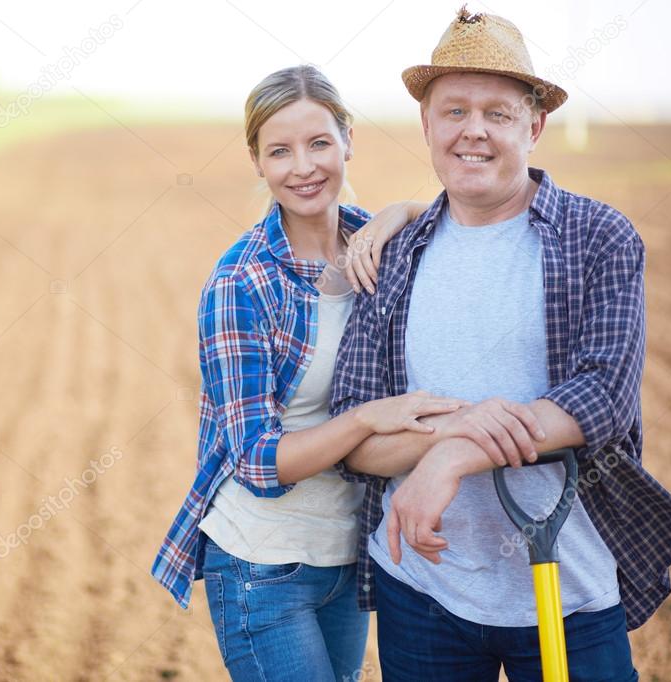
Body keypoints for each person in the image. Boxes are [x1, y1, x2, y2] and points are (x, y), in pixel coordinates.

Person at [329, 8, 671, 681]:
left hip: (568, 593)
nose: (472, 130)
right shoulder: (392, 255)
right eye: (453, 111)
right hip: (421, 596)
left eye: (497, 113)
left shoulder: (598, 238)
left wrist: (449, 457)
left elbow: (600, 399)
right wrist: (456, 436)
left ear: (533, 127)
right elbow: (355, 439)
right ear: (426, 125)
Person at [151, 65, 476, 681]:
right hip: (261, 568)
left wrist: (398, 212)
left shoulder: (371, 241)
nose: (303, 167)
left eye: (319, 143)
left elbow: (452, 212)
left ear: (348, 139)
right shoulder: (239, 283)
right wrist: (364, 420)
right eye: (280, 151)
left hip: (346, 557)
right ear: (257, 162)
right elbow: (255, 461)